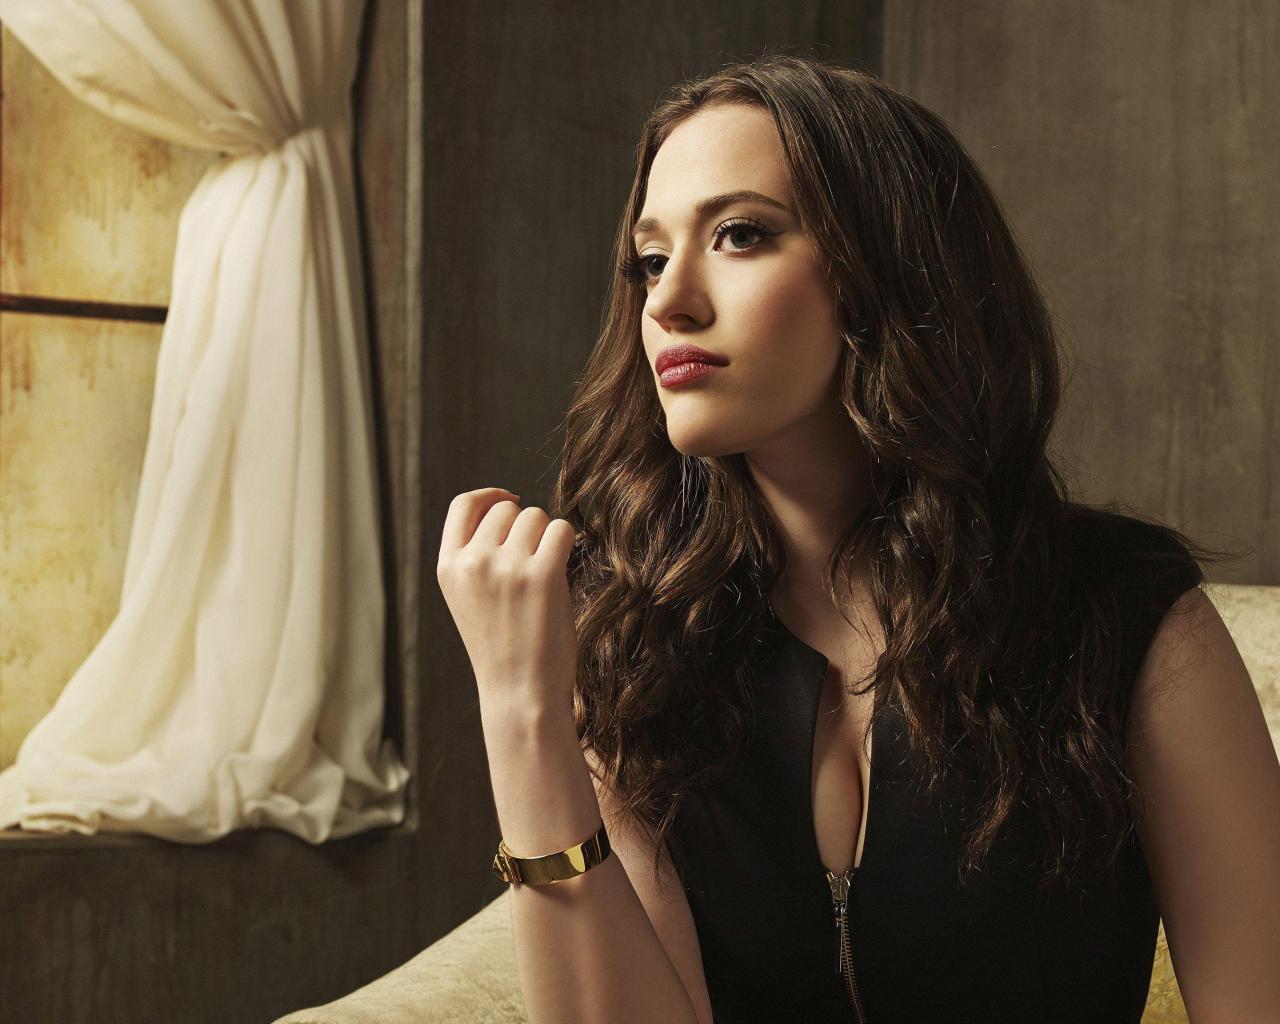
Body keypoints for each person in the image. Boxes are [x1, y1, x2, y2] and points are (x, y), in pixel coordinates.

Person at [436, 54, 1280, 1023]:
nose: (666, 303)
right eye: (651, 260)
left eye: (740, 234)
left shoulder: (1126, 620)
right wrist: (522, 712)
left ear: (885, 268)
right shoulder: (638, 644)